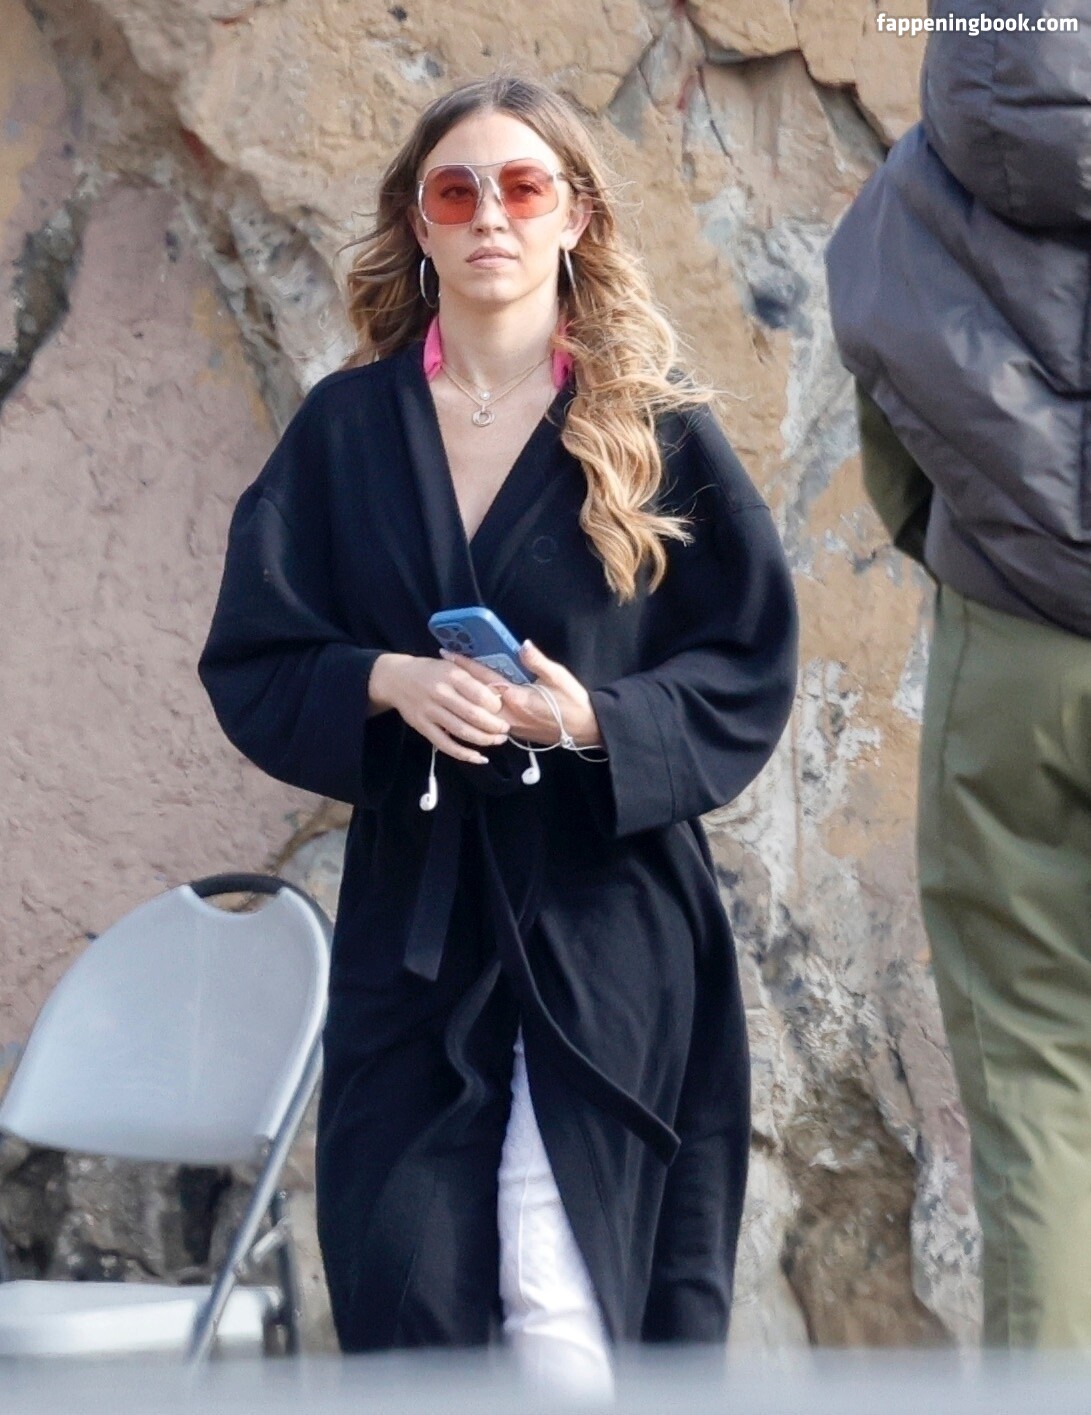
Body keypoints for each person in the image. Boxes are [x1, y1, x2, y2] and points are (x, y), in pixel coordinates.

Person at [199, 71, 797, 1394]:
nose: (490, 217)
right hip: (418, 923)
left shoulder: (653, 429)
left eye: (524, 187)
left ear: (574, 214)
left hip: (607, 916)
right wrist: (387, 681)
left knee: (563, 1284)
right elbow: (254, 653)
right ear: (418, 221)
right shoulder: (346, 430)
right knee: (407, 1289)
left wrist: (595, 717)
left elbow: (748, 662)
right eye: (455, 190)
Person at [826, 0, 1091, 1347]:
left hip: (1013, 661)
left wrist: (983, 561)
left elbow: (895, 444)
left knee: (1038, 1080)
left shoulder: (909, 191)